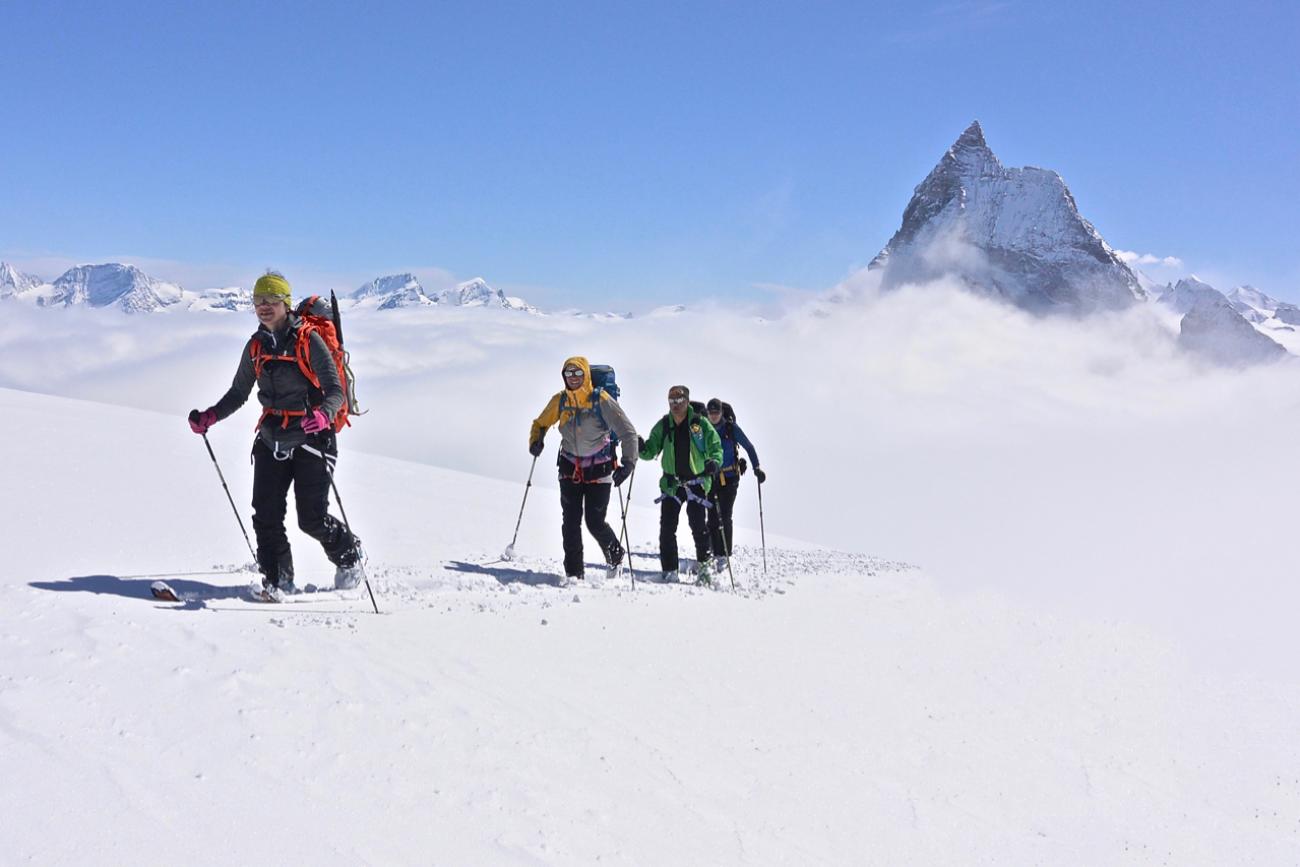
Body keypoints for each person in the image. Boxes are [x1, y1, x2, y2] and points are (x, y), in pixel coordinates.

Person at [187, 271, 364, 599]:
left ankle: (349, 555)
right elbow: (239, 392)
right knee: (265, 515)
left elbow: (335, 390)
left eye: (271, 300)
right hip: (272, 437)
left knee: (311, 519)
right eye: (258, 300)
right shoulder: (256, 345)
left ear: (286, 303)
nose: (264, 306)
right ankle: (277, 581)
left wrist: (324, 415)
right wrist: (211, 415)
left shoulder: (308, 340)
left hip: (313, 440)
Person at [528, 356, 638, 586]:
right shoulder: (560, 400)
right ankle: (574, 574)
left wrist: (628, 463)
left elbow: (627, 431)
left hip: (600, 472)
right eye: (569, 374)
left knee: (594, 521)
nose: (574, 378)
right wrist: (536, 440)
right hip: (570, 470)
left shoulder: (601, 399)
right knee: (570, 523)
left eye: (578, 374)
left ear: (586, 375)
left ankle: (615, 554)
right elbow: (540, 423)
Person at [639, 385, 724, 585]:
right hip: (672, 484)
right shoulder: (664, 425)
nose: (675, 405)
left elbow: (715, 446)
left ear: (687, 401)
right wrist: (641, 448)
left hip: (697, 482)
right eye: (672, 401)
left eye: (679, 401)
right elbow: (651, 450)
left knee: (698, 526)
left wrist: (714, 462)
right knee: (667, 528)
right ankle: (670, 570)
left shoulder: (699, 423)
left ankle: (705, 569)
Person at [705, 398, 765, 571]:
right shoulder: (705, 430)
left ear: (722, 413)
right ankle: (711, 552)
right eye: (711, 413)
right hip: (711, 478)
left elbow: (749, 446)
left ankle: (724, 555)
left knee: (725, 515)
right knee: (712, 517)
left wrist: (757, 468)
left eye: (716, 413)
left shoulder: (731, 428)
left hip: (730, 478)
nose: (714, 416)